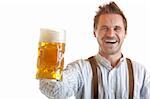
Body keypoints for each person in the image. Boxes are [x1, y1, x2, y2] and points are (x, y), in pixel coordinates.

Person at [39, 1, 150, 99]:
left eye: (117, 28)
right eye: (104, 28)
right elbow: (56, 92)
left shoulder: (140, 72)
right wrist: (47, 65)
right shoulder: (80, 70)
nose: (111, 34)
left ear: (125, 33)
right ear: (94, 33)